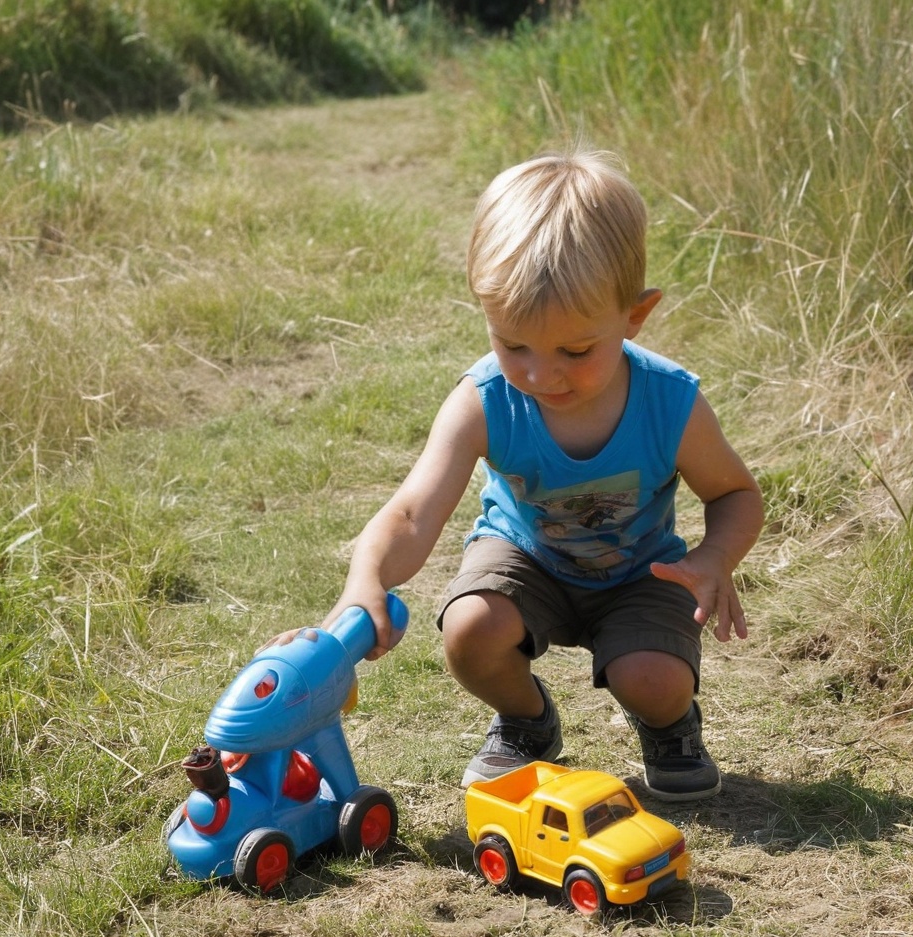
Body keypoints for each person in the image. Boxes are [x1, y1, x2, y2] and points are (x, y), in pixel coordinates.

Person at [273, 149, 764, 801]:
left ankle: (669, 724)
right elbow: (413, 513)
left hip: (641, 573)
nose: (539, 374)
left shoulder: (669, 402)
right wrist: (364, 580)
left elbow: (736, 493)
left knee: (652, 678)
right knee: (470, 630)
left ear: (635, 316)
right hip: (525, 561)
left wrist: (714, 557)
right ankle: (527, 721)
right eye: (513, 344)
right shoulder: (484, 402)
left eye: (575, 350)